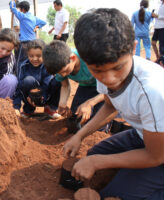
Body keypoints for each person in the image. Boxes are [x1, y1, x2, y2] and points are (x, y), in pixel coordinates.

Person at [63, 8, 164, 200]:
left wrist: (98, 163)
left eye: (117, 68)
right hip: (145, 134)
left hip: (160, 150)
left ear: (133, 49)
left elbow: (156, 156)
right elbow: (110, 106)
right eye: (98, 71)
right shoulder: (103, 62)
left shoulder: (152, 92)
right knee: (93, 153)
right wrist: (79, 135)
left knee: (115, 195)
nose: (109, 79)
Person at [43, 40, 104, 124]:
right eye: (60, 73)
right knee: (76, 118)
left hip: (104, 87)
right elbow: (65, 86)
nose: (63, 75)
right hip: (85, 86)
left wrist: (90, 103)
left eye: (65, 71)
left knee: (97, 123)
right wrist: (62, 103)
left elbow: (112, 89)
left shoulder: (91, 59)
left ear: (73, 58)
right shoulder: (60, 66)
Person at [13, 39, 61, 119]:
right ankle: (29, 109)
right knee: (28, 80)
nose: (35, 59)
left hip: (45, 95)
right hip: (30, 98)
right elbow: (19, 88)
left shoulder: (48, 65)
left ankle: (50, 107)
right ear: (27, 55)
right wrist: (16, 106)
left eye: (39, 56)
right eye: (31, 56)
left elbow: (47, 83)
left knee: (58, 80)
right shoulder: (23, 66)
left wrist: (43, 97)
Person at [9, 0, 46, 72]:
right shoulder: (34, 18)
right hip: (33, 43)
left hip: (24, 43)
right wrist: (37, 27)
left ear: (22, 9)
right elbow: (44, 22)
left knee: (20, 61)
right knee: (31, 60)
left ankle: (19, 78)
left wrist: (12, 1)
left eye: (20, 9)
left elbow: (12, 7)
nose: (19, 10)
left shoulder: (22, 16)